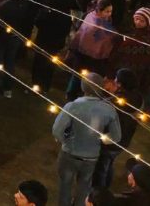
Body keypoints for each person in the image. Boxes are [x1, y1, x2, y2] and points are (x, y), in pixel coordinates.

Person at [52, 72, 121, 206]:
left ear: (83, 87)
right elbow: (116, 137)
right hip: (91, 157)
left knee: (65, 186)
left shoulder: (72, 106)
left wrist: (64, 140)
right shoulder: (109, 110)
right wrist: (101, 140)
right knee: (84, 188)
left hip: (69, 154)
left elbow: (56, 130)